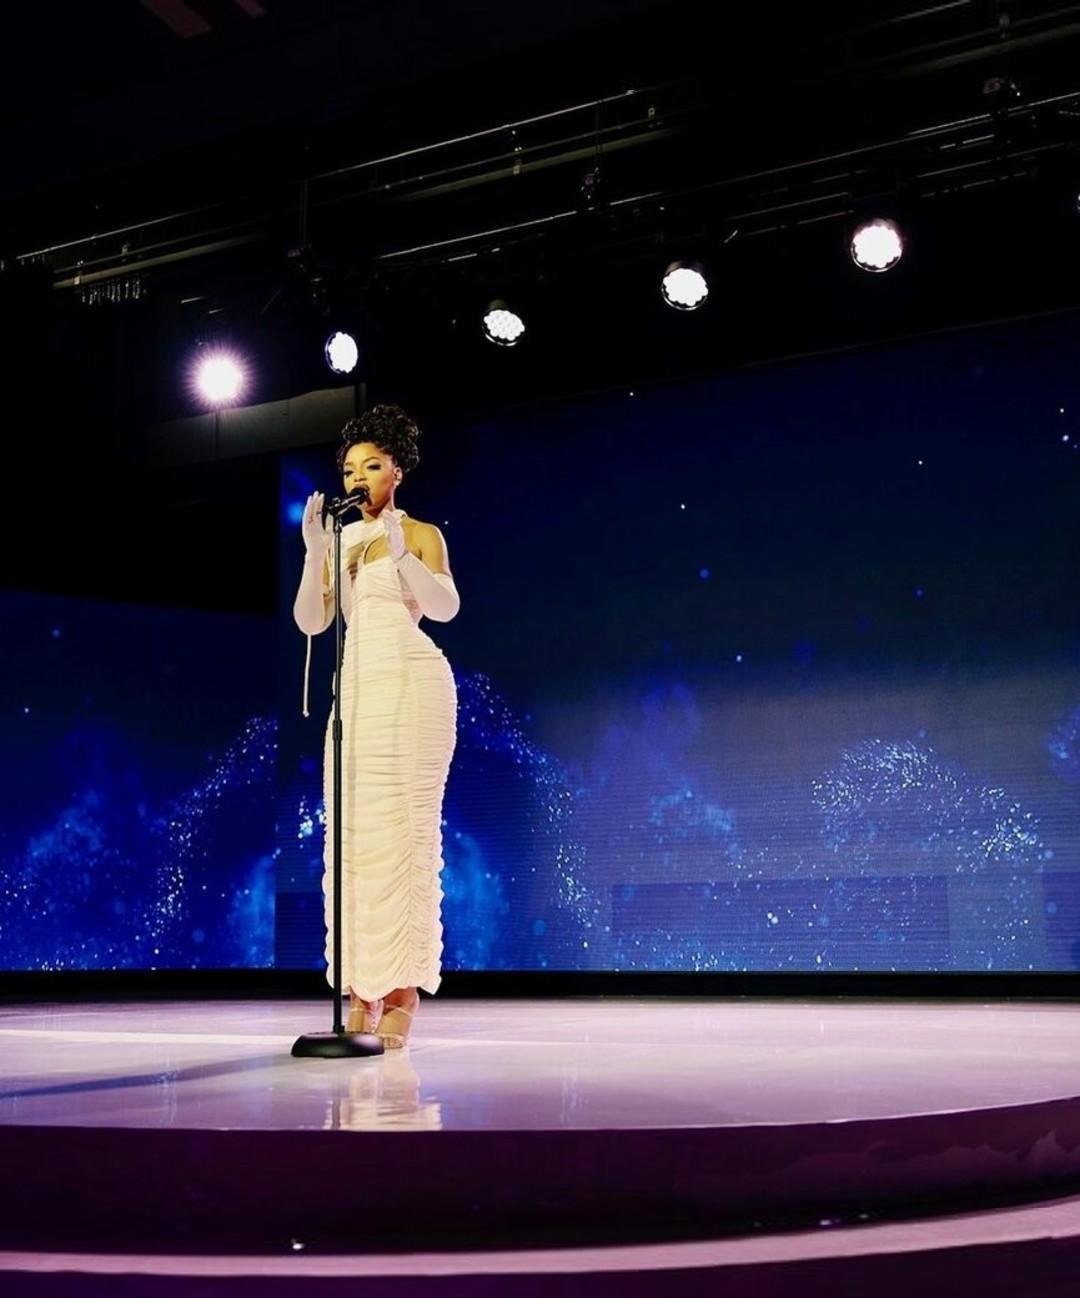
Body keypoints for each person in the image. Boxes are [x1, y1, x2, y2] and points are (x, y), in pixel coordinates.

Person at [293, 404, 459, 1047]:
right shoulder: (342, 542)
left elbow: (444, 607)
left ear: (397, 471)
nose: (357, 477)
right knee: (355, 843)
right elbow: (313, 622)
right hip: (358, 695)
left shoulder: (420, 533)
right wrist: (315, 554)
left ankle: (402, 991)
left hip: (411, 688)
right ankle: (362, 987)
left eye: (371, 466)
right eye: (349, 469)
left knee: (401, 837)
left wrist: (400, 552)